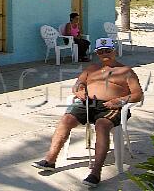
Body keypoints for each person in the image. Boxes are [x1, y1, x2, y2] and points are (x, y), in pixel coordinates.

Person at [32, 37, 144, 188]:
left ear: (115, 51)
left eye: (108, 51)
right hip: (87, 104)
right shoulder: (91, 69)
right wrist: (79, 91)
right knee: (66, 120)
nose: (105, 54)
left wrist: (118, 101)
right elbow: (78, 84)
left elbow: (138, 95)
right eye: (101, 51)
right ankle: (50, 160)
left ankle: (95, 172)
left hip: (111, 107)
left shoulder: (126, 71)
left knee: (102, 125)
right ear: (97, 53)